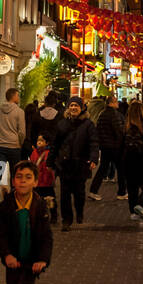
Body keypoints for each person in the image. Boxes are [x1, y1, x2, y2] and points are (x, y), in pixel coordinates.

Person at [51, 96, 99, 231]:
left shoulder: (88, 125)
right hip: (65, 164)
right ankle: (66, 219)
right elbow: (56, 144)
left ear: (81, 108)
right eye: (71, 105)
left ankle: (79, 212)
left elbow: (94, 143)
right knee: (65, 194)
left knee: (79, 193)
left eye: (76, 106)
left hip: (81, 164)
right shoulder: (62, 124)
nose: (73, 108)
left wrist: (93, 158)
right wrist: (51, 162)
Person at [0, 87, 26, 209]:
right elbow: (22, 132)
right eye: (17, 95)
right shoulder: (20, 112)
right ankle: (13, 198)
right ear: (14, 96)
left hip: (1, 145)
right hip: (14, 146)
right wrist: (19, 143)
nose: (18, 97)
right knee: (14, 173)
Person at [89, 94, 127, 201]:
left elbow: (99, 131)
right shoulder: (115, 115)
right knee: (121, 169)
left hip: (105, 146)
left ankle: (93, 190)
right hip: (115, 147)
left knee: (102, 169)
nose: (117, 103)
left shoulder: (102, 114)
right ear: (111, 103)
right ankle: (122, 192)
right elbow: (119, 131)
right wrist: (122, 143)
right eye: (115, 101)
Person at [123, 99, 143, 220]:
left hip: (128, 160)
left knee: (132, 187)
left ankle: (133, 212)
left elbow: (120, 143)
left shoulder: (125, 125)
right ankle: (141, 204)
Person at [30, 133, 57, 219]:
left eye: (41, 140)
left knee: (50, 199)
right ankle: (42, 214)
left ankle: (54, 215)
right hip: (37, 181)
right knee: (38, 200)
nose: (39, 142)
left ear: (47, 143)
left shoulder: (49, 153)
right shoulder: (34, 153)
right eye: (38, 140)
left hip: (47, 181)